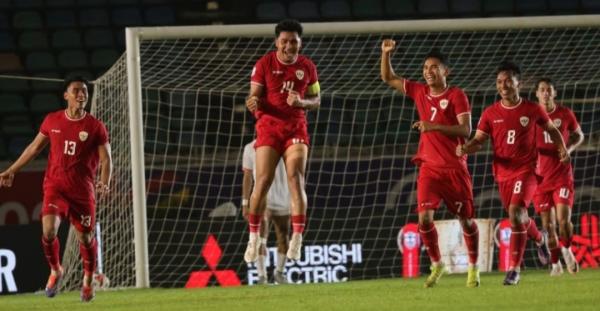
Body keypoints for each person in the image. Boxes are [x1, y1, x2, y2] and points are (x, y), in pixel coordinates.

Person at [0, 76, 112, 301]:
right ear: (66, 95)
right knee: (48, 231)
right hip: (55, 187)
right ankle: (55, 270)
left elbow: (106, 159)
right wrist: (12, 170)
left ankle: (88, 279)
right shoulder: (52, 120)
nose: (82, 95)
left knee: (86, 239)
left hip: (82, 192)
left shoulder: (95, 126)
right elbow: (34, 148)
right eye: (77, 91)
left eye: (85, 92)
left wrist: (104, 181)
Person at [457, 62, 569, 285]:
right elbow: (479, 140)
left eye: (508, 80)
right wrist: (466, 147)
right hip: (502, 173)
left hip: (527, 171)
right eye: (499, 82)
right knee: (521, 218)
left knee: (515, 213)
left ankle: (514, 270)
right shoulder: (490, 113)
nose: (503, 85)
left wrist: (562, 148)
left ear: (520, 82)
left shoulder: (532, 109)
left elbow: (552, 130)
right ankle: (540, 239)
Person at [381, 39, 480, 288]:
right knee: (424, 219)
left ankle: (473, 267)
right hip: (429, 168)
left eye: (434, 67)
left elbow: (466, 130)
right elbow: (388, 77)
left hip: (455, 169)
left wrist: (432, 126)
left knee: (467, 221)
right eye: (425, 67)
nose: (428, 71)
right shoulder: (419, 91)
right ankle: (437, 264)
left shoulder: (457, 95)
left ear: (446, 71)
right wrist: (386, 54)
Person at [244, 19, 320, 263]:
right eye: (284, 41)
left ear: (300, 43)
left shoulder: (308, 67)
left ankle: (297, 239)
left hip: (296, 127)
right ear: (277, 42)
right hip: (268, 127)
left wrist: (301, 103)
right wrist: (252, 102)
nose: (289, 45)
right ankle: (253, 238)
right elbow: (253, 97)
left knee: (296, 180)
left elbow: (316, 100)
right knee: (262, 181)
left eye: (293, 41)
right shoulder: (263, 64)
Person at [533, 78, 584, 276]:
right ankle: (555, 265)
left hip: (562, 176)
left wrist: (569, 148)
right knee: (548, 226)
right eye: (542, 90)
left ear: (554, 93)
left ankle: (567, 249)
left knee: (564, 221)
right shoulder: (531, 116)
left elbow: (579, 135)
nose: (545, 93)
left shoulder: (564, 114)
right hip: (540, 180)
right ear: (537, 94)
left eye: (549, 90)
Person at [242, 139, 290, 284]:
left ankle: (279, 273)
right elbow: (247, 176)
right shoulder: (250, 147)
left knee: (284, 239)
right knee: (260, 238)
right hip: (262, 198)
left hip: (283, 198)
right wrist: (245, 203)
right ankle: (262, 276)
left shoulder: (286, 144)